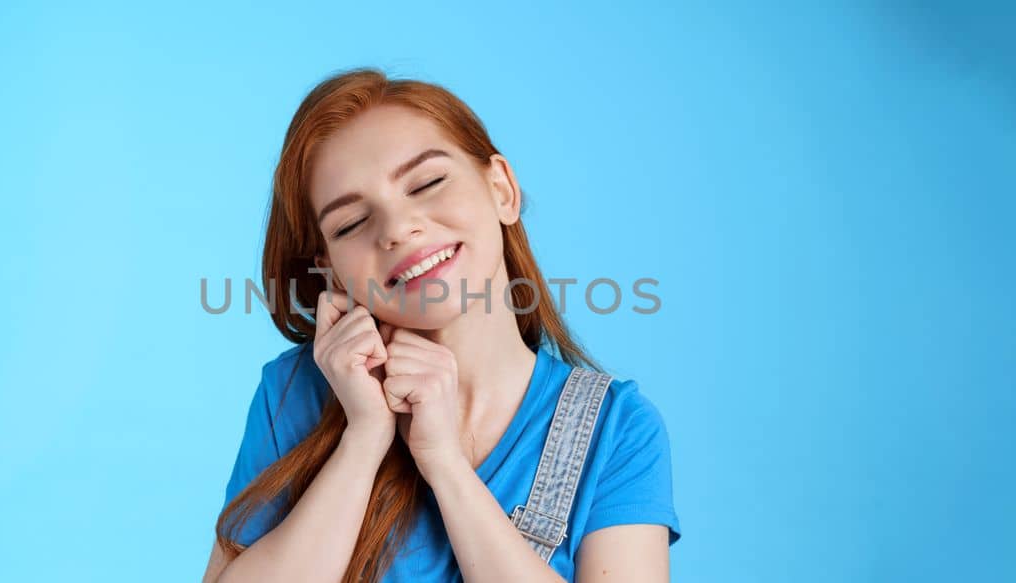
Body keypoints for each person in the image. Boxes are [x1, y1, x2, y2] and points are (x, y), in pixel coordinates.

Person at [203, 68, 680, 583]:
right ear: (331, 269)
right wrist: (362, 441)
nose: (398, 229)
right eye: (350, 223)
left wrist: (445, 464)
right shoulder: (293, 394)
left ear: (502, 189)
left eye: (427, 183)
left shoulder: (618, 429)